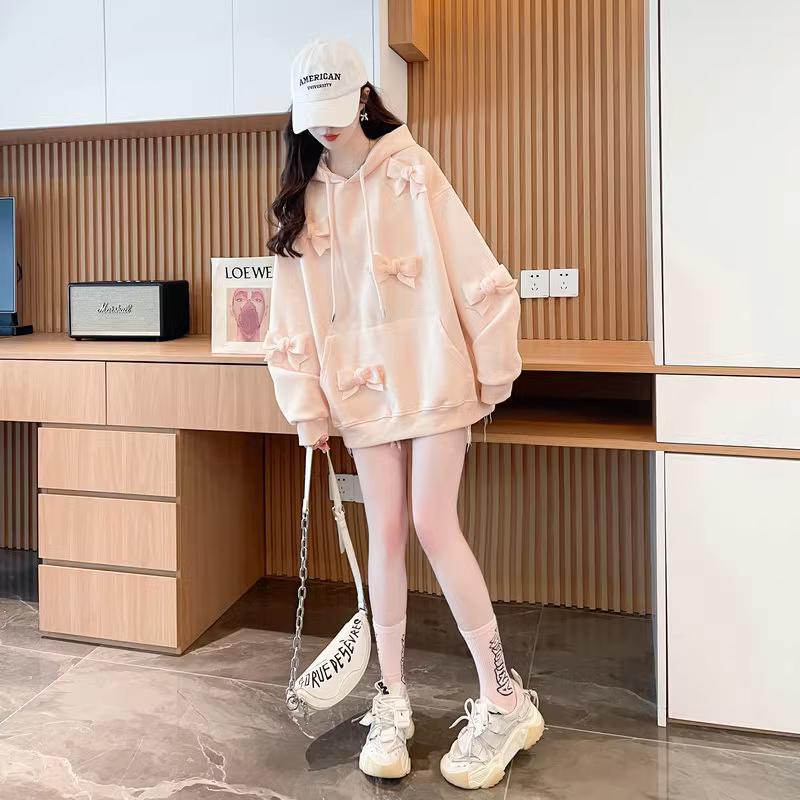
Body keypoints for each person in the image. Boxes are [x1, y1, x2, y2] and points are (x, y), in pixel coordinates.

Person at [265, 40, 544, 790]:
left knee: (431, 523)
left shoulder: (412, 169)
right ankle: (391, 698)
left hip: (432, 372)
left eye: (336, 109)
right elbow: (290, 315)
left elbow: (472, 263)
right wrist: (306, 406)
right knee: (383, 531)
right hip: (359, 388)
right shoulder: (303, 200)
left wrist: (492, 366)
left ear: (363, 97)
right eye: (311, 114)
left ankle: (504, 697)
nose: (325, 127)